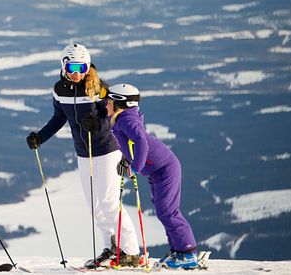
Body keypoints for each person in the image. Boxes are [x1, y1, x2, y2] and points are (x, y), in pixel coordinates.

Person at [26, 43, 141, 268]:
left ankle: (131, 251)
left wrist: (97, 123)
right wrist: (40, 137)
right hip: (83, 153)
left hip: (107, 150)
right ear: (64, 66)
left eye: (81, 67)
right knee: (94, 205)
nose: (77, 73)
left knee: (109, 202)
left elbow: (114, 114)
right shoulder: (60, 90)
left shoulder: (99, 88)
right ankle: (112, 245)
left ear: (88, 66)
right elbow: (59, 117)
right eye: (72, 67)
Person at [104, 83, 199, 269]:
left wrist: (135, 167)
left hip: (165, 168)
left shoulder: (126, 120)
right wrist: (126, 159)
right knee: (163, 212)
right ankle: (178, 251)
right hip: (157, 171)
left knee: (168, 212)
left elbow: (141, 142)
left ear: (120, 104)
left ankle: (188, 253)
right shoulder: (122, 119)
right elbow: (130, 145)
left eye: (109, 101)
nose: (106, 104)